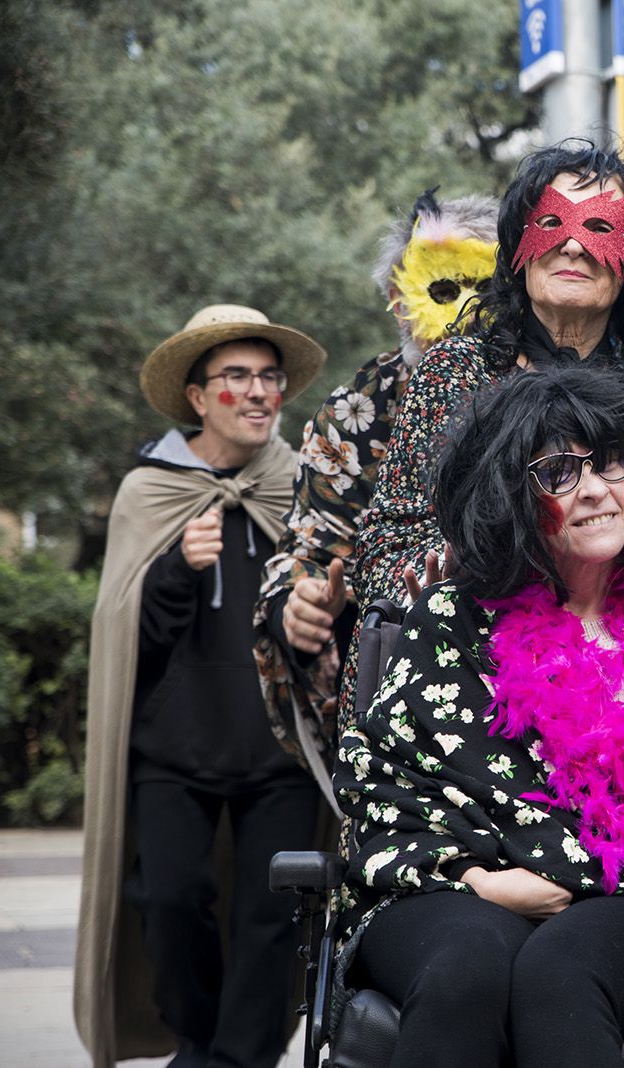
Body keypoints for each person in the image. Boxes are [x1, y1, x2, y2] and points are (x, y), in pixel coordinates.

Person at [334, 365, 624, 1067]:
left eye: (610, 462)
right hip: (455, 887)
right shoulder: (449, 620)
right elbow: (383, 785)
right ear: (511, 497)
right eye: (558, 471)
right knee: (463, 970)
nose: (594, 489)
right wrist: (484, 884)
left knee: (561, 972)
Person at [75, 305, 327, 1068]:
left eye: (269, 378)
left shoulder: (305, 487)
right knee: (171, 901)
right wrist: (176, 570)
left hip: (277, 744)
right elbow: (126, 635)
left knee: (271, 917)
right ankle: (196, 1033)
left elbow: (335, 607)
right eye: (237, 378)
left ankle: (235, 1060)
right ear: (197, 396)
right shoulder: (149, 491)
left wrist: (321, 615)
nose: (257, 393)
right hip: (173, 743)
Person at [352, 142, 624, 628]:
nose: (572, 245)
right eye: (551, 223)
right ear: (517, 251)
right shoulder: (457, 370)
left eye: (599, 226)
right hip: (466, 663)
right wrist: (440, 574)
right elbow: (388, 540)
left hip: (609, 671)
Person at [252, 189, 500, 800]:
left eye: (487, 291)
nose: (465, 314)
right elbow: (309, 547)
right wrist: (301, 602)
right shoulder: (358, 411)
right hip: (401, 688)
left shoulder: (552, 396)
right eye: (442, 290)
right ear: (398, 297)